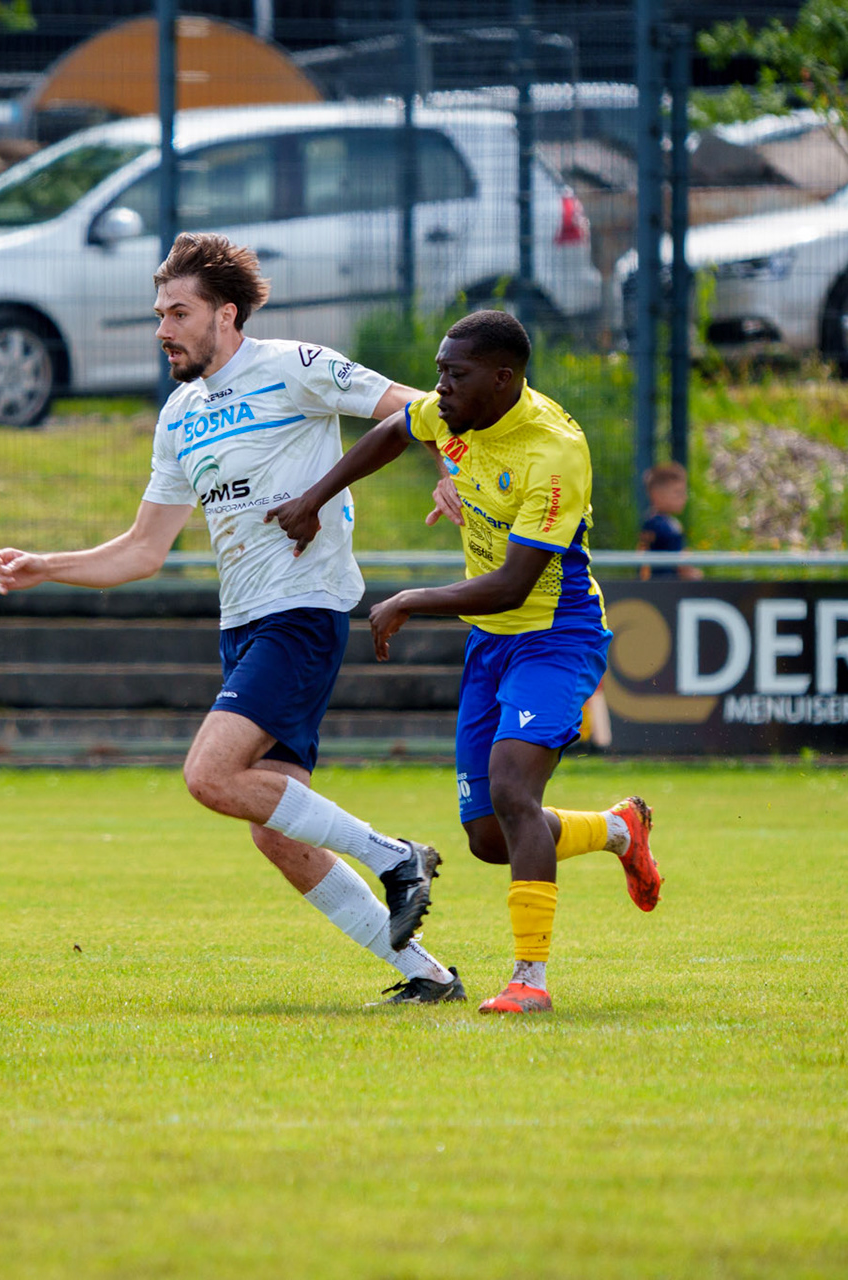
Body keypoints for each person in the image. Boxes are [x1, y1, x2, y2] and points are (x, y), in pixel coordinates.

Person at [0, 232, 462, 1006]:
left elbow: (418, 408)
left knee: (209, 776)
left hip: (302, 615)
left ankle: (397, 856)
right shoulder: (180, 414)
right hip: (243, 625)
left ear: (228, 315)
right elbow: (144, 549)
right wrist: (49, 565)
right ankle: (428, 979)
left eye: (179, 312)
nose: (162, 329)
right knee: (276, 830)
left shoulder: (295, 368)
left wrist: (452, 468)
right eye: (159, 313)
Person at [266, 309, 662, 1015]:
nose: (440, 388)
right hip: (490, 639)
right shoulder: (455, 416)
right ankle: (617, 830)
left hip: (554, 632)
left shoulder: (553, 451)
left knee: (514, 789)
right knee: (488, 837)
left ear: (504, 379)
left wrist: (412, 599)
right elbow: (395, 429)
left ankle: (529, 981)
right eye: (441, 372)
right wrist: (313, 500)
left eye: (456, 374)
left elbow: (514, 583)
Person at [636, 461, 699, 581]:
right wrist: (694, 576)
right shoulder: (665, 527)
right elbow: (681, 562)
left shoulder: (650, 521)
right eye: (677, 493)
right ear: (656, 495)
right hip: (666, 586)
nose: (684, 497)